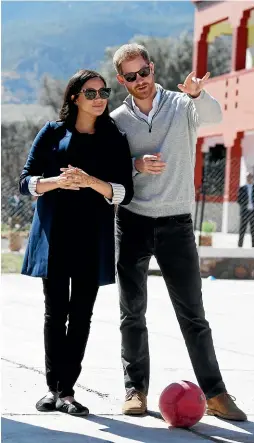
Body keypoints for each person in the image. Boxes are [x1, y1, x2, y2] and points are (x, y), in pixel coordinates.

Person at [111, 43, 247, 421]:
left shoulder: (181, 104)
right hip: (133, 220)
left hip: (176, 223)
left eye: (145, 72)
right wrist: (135, 164)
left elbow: (215, 116)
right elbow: (111, 169)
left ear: (153, 68)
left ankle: (216, 394)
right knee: (131, 313)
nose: (140, 80)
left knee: (193, 315)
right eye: (131, 76)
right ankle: (135, 388)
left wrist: (197, 93)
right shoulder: (118, 119)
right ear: (122, 79)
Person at [19, 69, 133, 416]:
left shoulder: (113, 136)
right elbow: (24, 182)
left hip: (92, 237)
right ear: (74, 97)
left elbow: (124, 192)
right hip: (53, 236)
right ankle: (52, 389)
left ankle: (68, 392)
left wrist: (89, 181)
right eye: (91, 93)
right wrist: (55, 182)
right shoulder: (52, 132)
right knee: (54, 314)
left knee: (81, 315)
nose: (100, 99)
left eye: (103, 92)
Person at [237, 173, 254, 248]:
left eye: (250, 177)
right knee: (242, 229)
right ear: (246, 178)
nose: (249, 178)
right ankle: (240, 245)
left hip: (253, 211)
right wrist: (245, 204)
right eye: (247, 177)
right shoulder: (241, 188)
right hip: (244, 211)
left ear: (253, 178)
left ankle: (253, 245)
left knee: (253, 230)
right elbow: (239, 200)